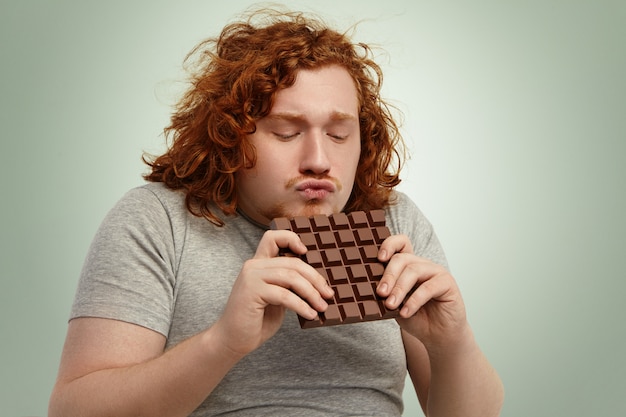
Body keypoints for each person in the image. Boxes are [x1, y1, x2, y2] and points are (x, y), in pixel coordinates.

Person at [49, 8, 504, 417]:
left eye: (340, 134)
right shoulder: (158, 220)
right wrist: (222, 342)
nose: (319, 160)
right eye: (286, 132)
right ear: (229, 136)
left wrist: (452, 342)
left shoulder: (393, 219)